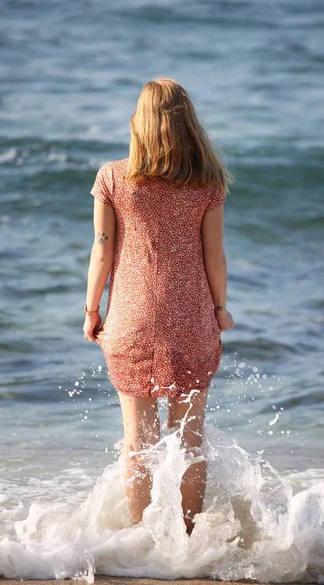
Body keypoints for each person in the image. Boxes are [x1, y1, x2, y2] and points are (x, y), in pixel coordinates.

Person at [83, 77, 234, 536]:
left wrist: (92, 310)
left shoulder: (113, 177)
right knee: (190, 436)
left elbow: (102, 248)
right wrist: (221, 308)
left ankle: (139, 540)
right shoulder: (206, 183)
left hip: (130, 320)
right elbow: (215, 256)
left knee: (137, 440)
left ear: (139, 123)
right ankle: (189, 539)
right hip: (191, 319)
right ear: (188, 125)